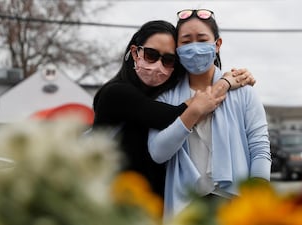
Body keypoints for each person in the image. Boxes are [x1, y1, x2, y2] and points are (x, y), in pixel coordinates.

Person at [92, 20, 255, 199]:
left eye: (169, 60)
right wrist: (224, 84)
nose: (158, 66)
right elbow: (170, 117)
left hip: (157, 206)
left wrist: (237, 79)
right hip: (116, 202)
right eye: (151, 55)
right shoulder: (115, 93)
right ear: (135, 52)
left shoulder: (164, 94)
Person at [148, 9, 271, 219]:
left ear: (217, 44)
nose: (194, 47)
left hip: (235, 205)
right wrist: (194, 111)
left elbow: (259, 148)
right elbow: (158, 152)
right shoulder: (165, 97)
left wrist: (256, 200)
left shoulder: (244, 92)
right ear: (177, 48)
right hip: (185, 206)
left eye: (202, 39)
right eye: (186, 41)